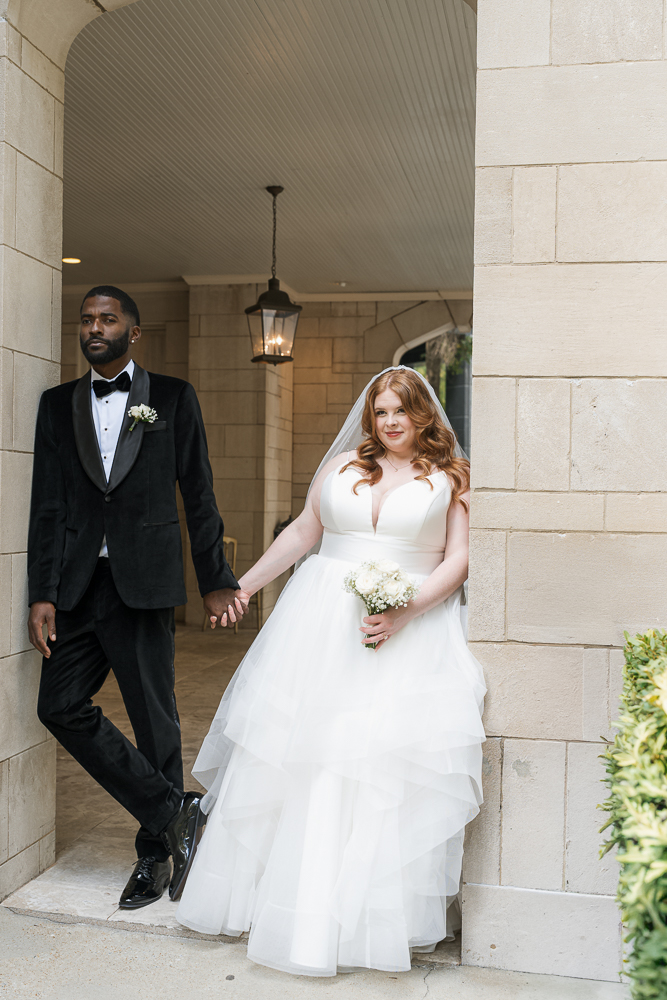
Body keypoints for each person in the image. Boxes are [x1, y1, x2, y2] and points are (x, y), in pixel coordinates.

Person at [176, 366, 486, 976]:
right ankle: (281, 906)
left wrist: (407, 610)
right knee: (302, 757)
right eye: (380, 411)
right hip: (317, 627)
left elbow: (461, 558)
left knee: (374, 766)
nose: (390, 422)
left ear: (424, 413)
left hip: (406, 633)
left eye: (401, 410)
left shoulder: (452, 477)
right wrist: (240, 587)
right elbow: (302, 533)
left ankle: (360, 922)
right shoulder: (344, 464)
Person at [27, 285, 246, 911]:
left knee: (155, 719)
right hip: (74, 586)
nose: (95, 327)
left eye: (107, 318)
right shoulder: (55, 405)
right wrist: (42, 592)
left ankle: (155, 854)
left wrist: (215, 579)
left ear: (133, 331)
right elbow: (47, 504)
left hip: (144, 584)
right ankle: (176, 812)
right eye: (87, 318)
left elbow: (198, 493)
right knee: (59, 704)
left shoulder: (173, 398)